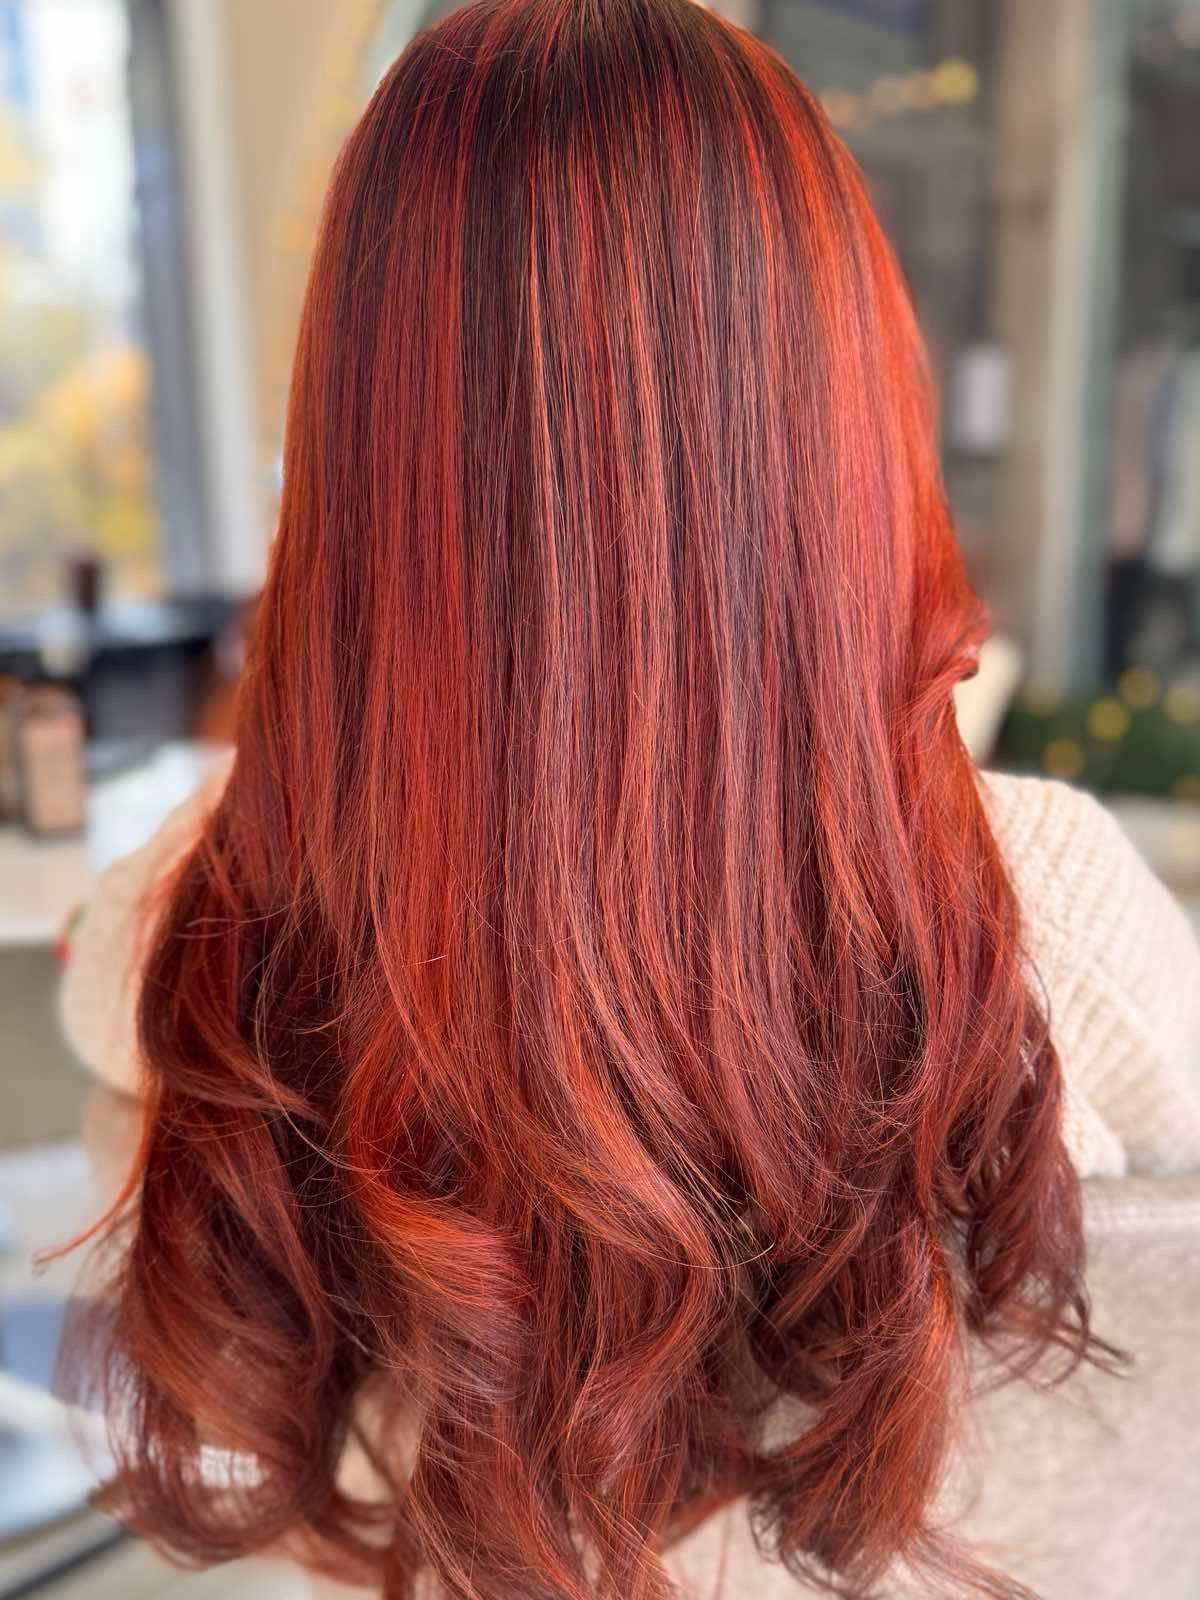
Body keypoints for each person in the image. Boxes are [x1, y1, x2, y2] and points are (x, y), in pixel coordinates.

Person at [58, 2, 1200, 1596]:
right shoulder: (1044, 912)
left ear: (361, 447)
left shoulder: (202, 914)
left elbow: (104, 1055)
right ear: (847, 409)